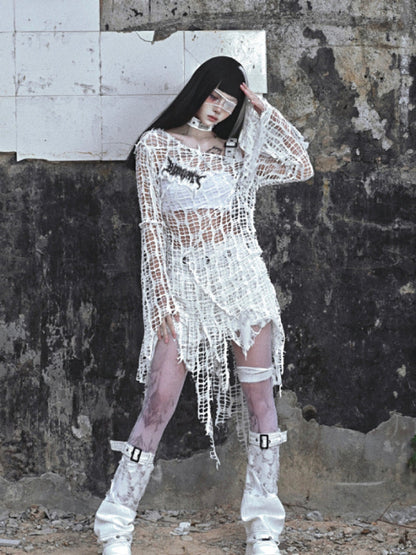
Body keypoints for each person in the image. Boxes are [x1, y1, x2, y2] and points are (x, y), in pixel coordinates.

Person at [94, 56, 314, 555]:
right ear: (198, 91)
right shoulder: (155, 146)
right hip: (184, 286)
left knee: (261, 404)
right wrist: (162, 299)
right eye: (214, 96)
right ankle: (114, 524)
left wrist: (263, 110)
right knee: (158, 402)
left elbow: (300, 166)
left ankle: (264, 527)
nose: (219, 109)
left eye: (230, 103)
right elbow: (152, 229)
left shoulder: (235, 155)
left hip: (242, 283)